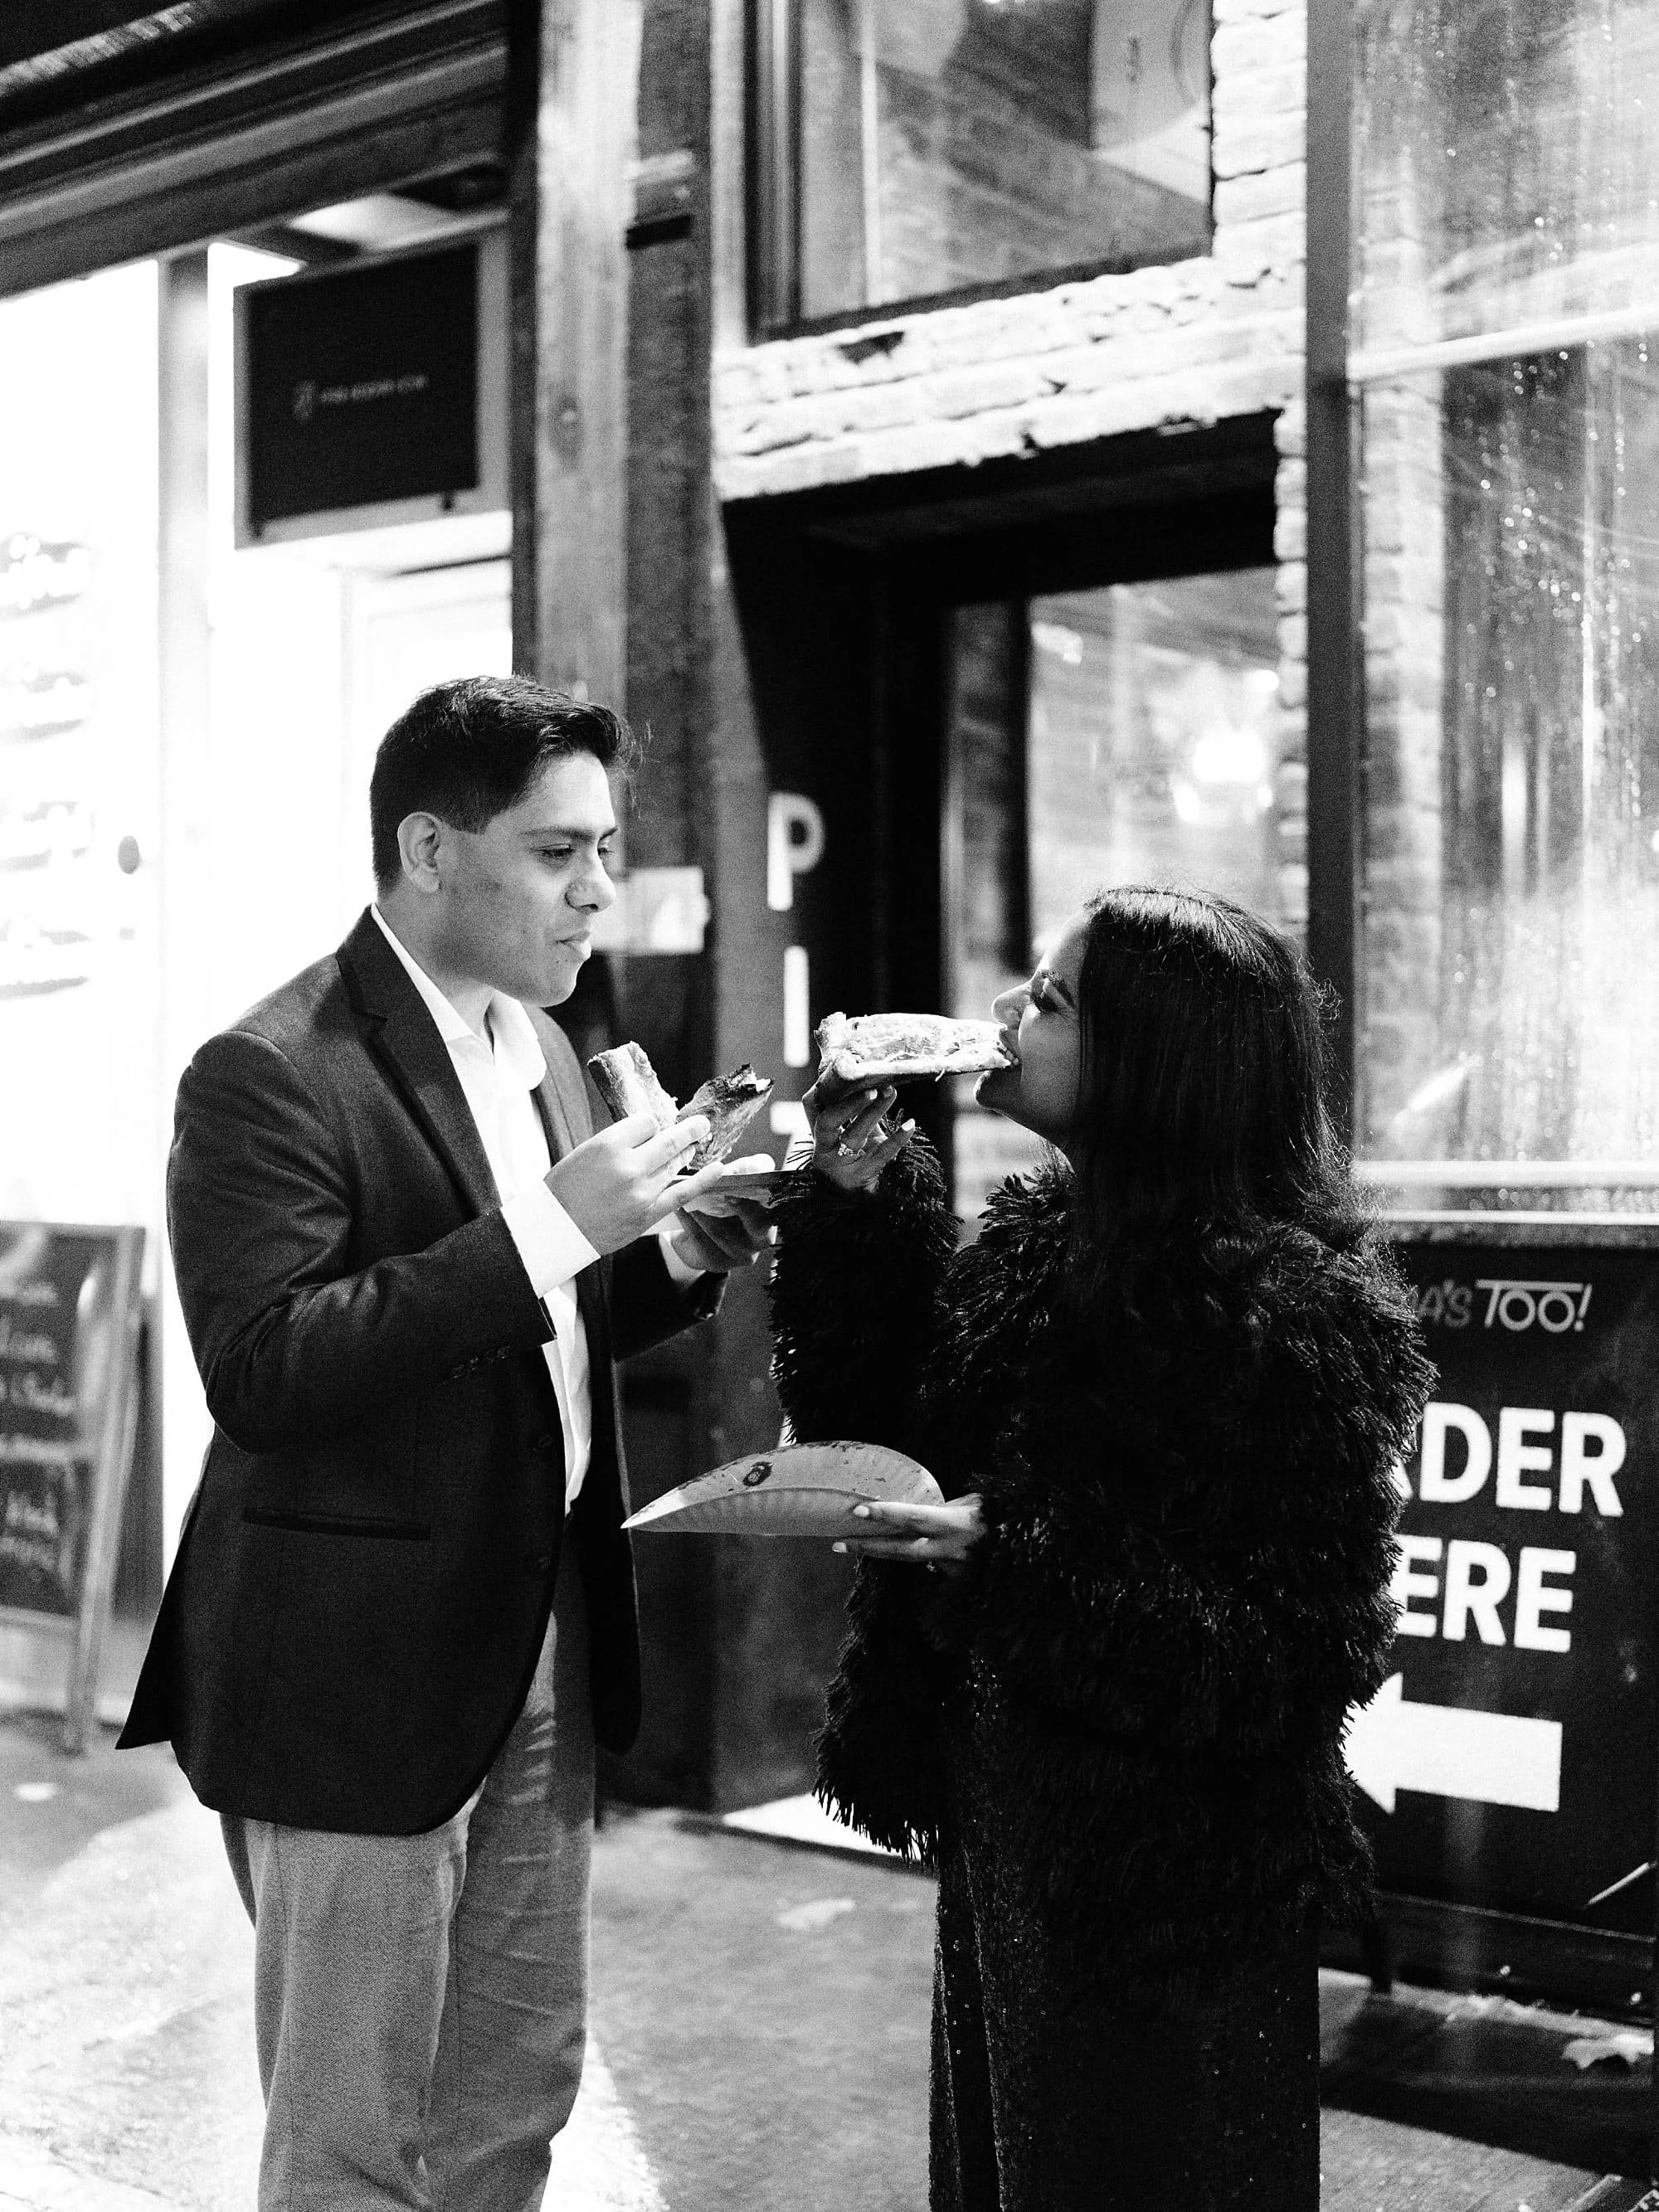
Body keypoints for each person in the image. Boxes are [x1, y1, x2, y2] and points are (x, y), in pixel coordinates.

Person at [119, 675, 775, 2211]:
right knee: (355, 2134)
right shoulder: (269, 1067)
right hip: (351, 1667)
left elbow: (533, 1332)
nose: (598, 890)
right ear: (430, 850)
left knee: (515, 2087)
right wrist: (555, 1219)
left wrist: (669, 1254)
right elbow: (267, 1365)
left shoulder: (539, 1050)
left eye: (605, 847)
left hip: (536, 1630)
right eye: (558, 853)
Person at [767, 887, 1432, 2211]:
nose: (1006, 1016)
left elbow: (1293, 1654)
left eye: (1052, 1001)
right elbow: (882, 1428)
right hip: (1005, 1849)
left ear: (1156, 1061)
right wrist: (852, 1199)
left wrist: (1010, 1559)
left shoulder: (1295, 1313)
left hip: (1169, 1902)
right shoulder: (1031, 1243)